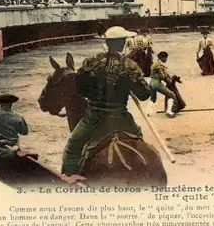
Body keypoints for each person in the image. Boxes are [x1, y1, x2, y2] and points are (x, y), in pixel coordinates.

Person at [62, 26, 151, 184]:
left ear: (107, 43)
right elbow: (144, 95)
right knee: (139, 136)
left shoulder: (91, 62)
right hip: (121, 117)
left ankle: (67, 178)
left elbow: (81, 88)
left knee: (73, 145)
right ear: (123, 43)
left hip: (94, 117)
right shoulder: (130, 65)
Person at [146, 51, 178, 118]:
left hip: (151, 82)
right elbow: (162, 76)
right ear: (162, 58)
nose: (166, 59)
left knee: (153, 98)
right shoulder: (160, 65)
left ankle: (148, 112)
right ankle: (169, 112)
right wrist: (170, 79)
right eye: (166, 58)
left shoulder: (155, 63)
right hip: (157, 83)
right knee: (171, 95)